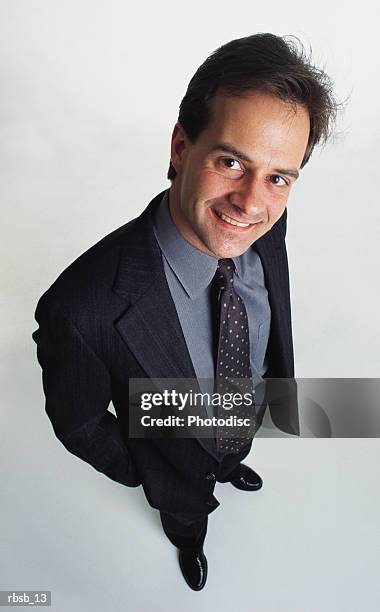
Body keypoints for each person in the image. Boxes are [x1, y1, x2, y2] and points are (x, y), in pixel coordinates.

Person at [32, 33, 338, 591]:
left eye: (278, 177)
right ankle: (187, 531)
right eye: (230, 161)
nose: (250, 204)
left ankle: (229, 460)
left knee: (228, 448)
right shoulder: (79, 307)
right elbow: (78, 424)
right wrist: (153, 471)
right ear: (180, 148)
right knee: (187, 514)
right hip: (170, 468)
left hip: (240, 414)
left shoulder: (266, 224)